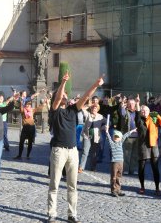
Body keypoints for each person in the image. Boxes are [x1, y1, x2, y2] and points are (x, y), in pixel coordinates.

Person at [47, 71, 104, 223]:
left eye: (67, 96)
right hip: (58, 150)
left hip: (72, 151)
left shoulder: (73, 110)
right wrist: (63, 82)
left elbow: (85, 96)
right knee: (54, 184)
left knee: (72, 185)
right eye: (64, 96)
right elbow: (58, 97)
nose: (66, 97)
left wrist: (96, 85)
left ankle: (72, 214)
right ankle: (52, 214)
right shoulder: (55, 111)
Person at [135, 105, 161, 196]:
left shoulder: (154, 117)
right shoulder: (139, 119)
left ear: (149, 111)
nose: (144, 112)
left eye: (145, 110)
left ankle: (157, 188)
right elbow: (137, 116)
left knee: (155, 168)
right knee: (141, 168)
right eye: (142, 111)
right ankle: (142, 187)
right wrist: (137, 104)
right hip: (143, 145)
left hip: (153, 145)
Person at [105, 126, 137, 197]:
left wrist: (132, 131)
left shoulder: (120, 143)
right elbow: (109, 138)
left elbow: (125, 135)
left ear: (120, 138)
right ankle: (113, 190)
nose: (116, 138)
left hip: (121, 163)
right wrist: (107, 132)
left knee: (119, 177)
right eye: (115, 137)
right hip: (114, 163)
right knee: (113, 177)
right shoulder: (112, 144)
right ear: (113, 137)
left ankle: (118, 190)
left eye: (118, 137)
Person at [78, 103, 106, 172]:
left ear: (98, 109)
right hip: (87, 136)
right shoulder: (88, 114)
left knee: (94, 153)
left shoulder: (100, 116)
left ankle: (93, 167)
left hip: (96, 137)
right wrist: (89, 105)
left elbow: (108, 122)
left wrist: (103, 127)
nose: (94, 109)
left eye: (95, 108)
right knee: (85, 152)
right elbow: (82, 109)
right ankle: (81, 167)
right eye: (93, 108)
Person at [119, 96, 140, 175]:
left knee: (135, 154)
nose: (131, 105)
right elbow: (122, 113)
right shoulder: (125, 111)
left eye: (133, 103)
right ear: (127, 104)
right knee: (127, 154)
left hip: (137, 136)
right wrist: (122, 105)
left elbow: (142, 115)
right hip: (128, 136)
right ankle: (126, 169)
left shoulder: (137, 112)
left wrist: (138, 103)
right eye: (130, 104)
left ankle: (133, 169)